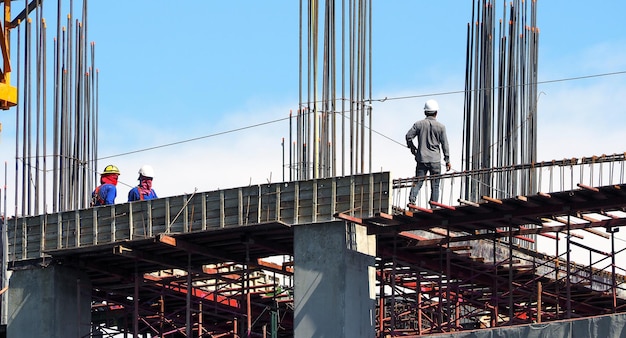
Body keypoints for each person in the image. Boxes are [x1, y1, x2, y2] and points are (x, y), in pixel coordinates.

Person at [405, 99, 451, 206]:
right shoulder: (441, 127)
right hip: (435, 160)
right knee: (435, 185)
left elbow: (408, 136)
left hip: (422, 159)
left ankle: (412, 201)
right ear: (436, 112)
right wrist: (447, 160)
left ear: (425, 112)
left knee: (418, 181)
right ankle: (433, 206)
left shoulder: (419, 124)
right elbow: (445, 145)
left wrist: (413, 149)